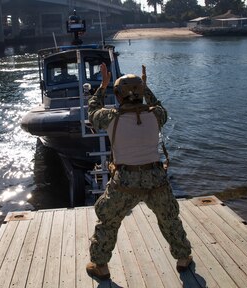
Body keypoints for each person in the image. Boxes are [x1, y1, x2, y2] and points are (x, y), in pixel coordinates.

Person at [86, 63, 192, 280]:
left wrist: (102, 86)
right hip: (155, 178)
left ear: (118, 96)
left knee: (108, 220)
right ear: (142, 93)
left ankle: (101, 266)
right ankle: (183, 259)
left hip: (125, 180)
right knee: (169, 218)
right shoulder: (156, 115)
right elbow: (158, 105)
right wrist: (145, 86)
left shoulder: (110, 117)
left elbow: (92, 111)